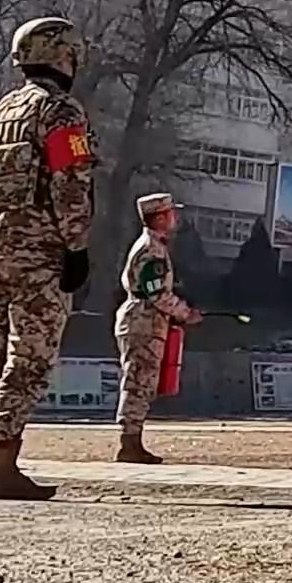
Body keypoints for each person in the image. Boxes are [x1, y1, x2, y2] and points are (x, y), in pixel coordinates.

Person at [0, 16, 96, 501]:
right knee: (30, 359)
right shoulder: (62, 112)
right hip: (40, 253)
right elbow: (71, 182)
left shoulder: (1, 112)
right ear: (65, 55)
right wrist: (76, 246)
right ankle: (0, 464)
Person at [112, 192, 201, 464]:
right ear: (161, 218)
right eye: (171, 213)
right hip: (143, 321)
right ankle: (129, 443)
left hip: (145, 319)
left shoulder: (153, 246)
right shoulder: (152, 249)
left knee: (142, 381)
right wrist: (185, 312)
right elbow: (157, 294)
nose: (176, 218)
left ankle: (131, 441)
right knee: (138, 381)